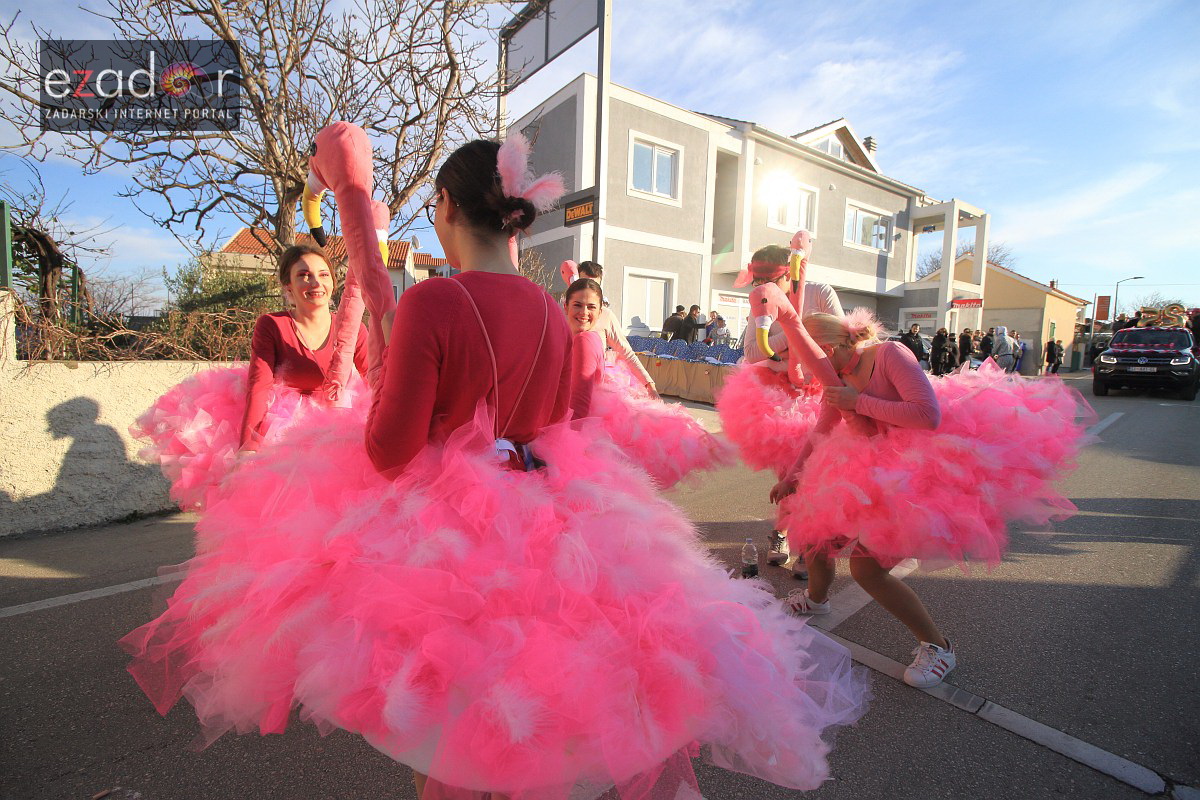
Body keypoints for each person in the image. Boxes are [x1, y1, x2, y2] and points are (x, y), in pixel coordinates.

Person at [122, 131, 866, 799]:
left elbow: (388, 451)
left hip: (443, 541)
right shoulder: (551, 312)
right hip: (549, 524)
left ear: (444, 205)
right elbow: (557, 422)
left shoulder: (435, 304)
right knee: (526, 724)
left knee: (448, 740)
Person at [761, 269, 1093, 689]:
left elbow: (927, 415)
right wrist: (792, 476)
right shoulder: (836, 375)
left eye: (805, 359)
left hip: (915, 469)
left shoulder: (889, 355)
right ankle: (816, 600)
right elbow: (824, 428)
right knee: (813, 534)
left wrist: (858, 400)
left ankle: (938, 647)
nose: (803, 370)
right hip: (864, 464)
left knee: (867, 570)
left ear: (826, 347)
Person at [130, 242, 369, 510]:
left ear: (334, 283)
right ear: (288, 285)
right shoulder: (273, 325)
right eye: (303, 275)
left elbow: (377, 379)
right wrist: (248, 450)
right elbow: (259, 386)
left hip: (336, 427)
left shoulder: (353, 329)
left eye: (323, 274)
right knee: (286, 510)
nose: (315, 282)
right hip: (285, 429)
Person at [716, 240, 844, 573]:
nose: (764, 288)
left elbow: (841, 338)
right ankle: (789, 535)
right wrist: (793, 334)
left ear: (791, 274)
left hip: (819, 393)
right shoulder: (762, 299)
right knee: (789, 473)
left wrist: (795, 339)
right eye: (757, 282)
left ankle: (804, 539)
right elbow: (752, 353)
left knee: (814, 472)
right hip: (778, 398)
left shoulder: (820, 292)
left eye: (771, 280)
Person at [564, 276, 732, 488]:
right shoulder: (563, 330)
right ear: (566, 305)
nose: (584, 313)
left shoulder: (586, 339)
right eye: (577, 305)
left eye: (591, 307)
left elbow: (623, 355)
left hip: (588, 421)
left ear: (600, 311)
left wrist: (649, 384)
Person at [572, 260, 658, 398]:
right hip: (564, 389)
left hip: (595, 391)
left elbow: (626, 352)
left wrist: (649, 385)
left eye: (594, 286)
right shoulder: (562, 312)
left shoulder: (606, 315)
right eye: (583, 283)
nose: (588, 288)